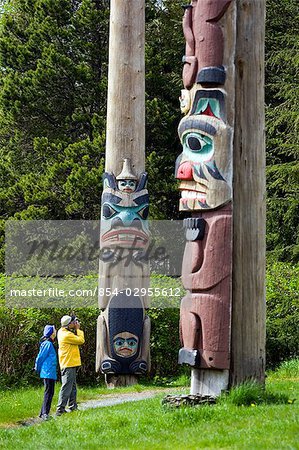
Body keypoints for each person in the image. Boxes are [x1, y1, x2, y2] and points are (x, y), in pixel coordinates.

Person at [56, 315, 85, 416]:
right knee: (66, 386)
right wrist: (78, 329)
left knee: (72, 387)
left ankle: (73, 406)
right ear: (69, 324)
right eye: (73, 322)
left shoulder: (62, 331)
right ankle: (60, 409)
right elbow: (81, 340)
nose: (75, 323)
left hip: (70, 363)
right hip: (68, 363)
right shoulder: (67, 335)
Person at [35, 324, 57, 420]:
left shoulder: (49, 343)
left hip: (50, 372)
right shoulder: (47, 344)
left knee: (49, 392)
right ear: (51, 333)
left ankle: (42, 413)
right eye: (55, 330)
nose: (56, 331)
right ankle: (45, 414)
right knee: (48, 392)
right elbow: (40, 357)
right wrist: (37, 367)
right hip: (47, 372)